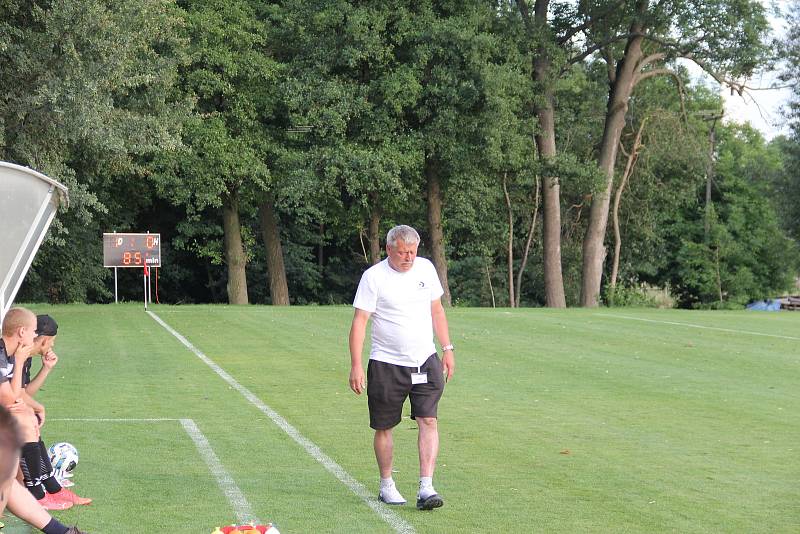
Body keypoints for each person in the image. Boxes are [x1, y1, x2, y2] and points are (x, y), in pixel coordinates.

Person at [349, 225, 456, 511]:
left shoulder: (426, 269)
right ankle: (386, 484)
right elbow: (360, 322)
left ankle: (426, 486)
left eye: (412, 251)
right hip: (386, 363)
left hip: (425, 359)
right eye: (402, 252)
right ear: (388, 250)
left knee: (429, 420)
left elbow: (437, 311)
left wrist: (447, 349)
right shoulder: (373, 278)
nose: (408, 257)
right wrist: (357, 364)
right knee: (385, 426)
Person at [16, 315, 91, 508]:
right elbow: (14, 394)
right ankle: (40, 494)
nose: (52, 346)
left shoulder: (26, 358)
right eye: (52, 341)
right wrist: (37, 408)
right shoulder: (15, 354)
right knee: (26, 421)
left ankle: (50, 488)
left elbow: (24, 392)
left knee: (28, 419)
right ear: (43, 339)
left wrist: (46, 369)